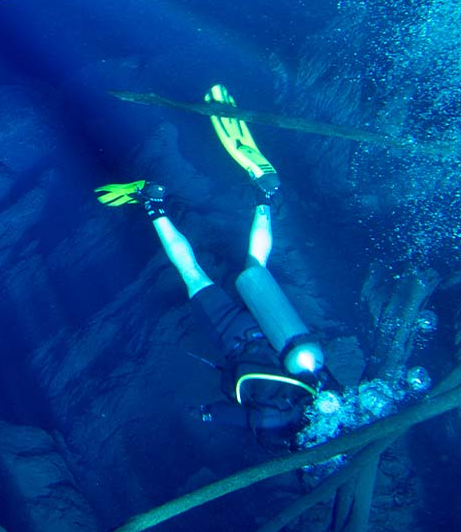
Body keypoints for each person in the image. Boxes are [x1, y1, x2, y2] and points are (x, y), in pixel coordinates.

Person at [96, 85, 329, 451]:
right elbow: (224, 414)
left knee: (256, 264)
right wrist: (202, 413)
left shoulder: (326, 402)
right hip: (236, 338)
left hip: (277, 328)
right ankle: (153, 202)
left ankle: (264, 196)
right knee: (193, 274)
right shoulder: (277, 426)